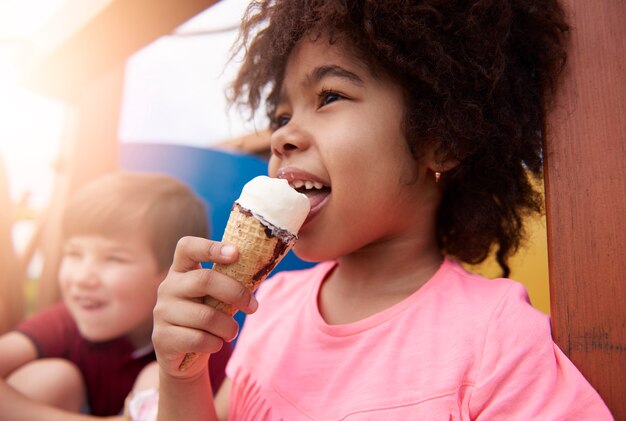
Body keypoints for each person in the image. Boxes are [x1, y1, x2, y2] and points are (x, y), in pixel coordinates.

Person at [151, 0, 613, 419]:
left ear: (443, 137)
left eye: (329, 97)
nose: (280, 137)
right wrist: (183, 375)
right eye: (282, 115)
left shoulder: (497, 343)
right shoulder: (267, 306)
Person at [0, 171, 232, 420]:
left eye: (113, 258)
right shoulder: (62, 323)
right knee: (51, 378)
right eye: (74, 254)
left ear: (173, 272)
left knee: (159, 377)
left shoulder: (203, 341)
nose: (81, 277)